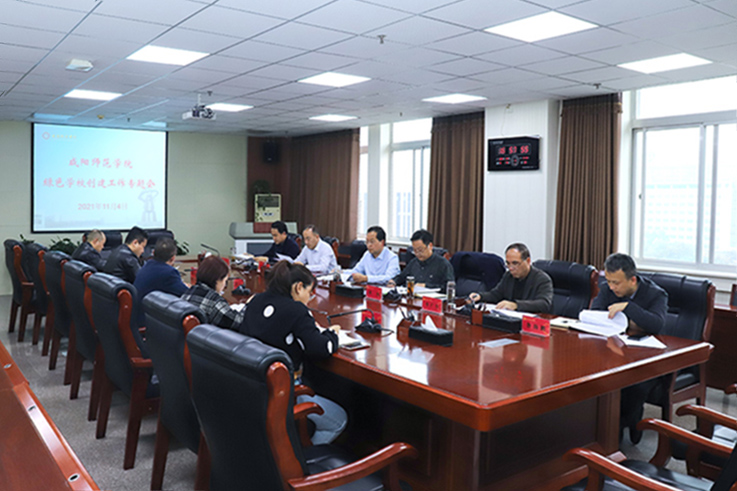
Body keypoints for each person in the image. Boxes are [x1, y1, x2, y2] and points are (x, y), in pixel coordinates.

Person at [240, 261, 346, 445]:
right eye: (309, 292)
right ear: (298, 288)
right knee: (339, 420)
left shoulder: (256, 301)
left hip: (252, 389)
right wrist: (332, 334)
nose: (309, 298)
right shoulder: (296, 310)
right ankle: (302, 458)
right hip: (282, 393)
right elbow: (321, 349)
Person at [590, 252, 668, 444]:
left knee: (633, 384)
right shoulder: (608, 289)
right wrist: (631, 322)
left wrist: (627, 307)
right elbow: (595, 314)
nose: (611, 287)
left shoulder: (655, 294)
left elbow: (656, 324)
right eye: (609, 281)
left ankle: (623, 426)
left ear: (632, 279)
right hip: (613, 352)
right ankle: (603, 428)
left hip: (647, 358)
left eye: (616, 283)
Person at [468, 243, 553, 313]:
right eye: (508, 264)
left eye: (515, 263)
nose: (511, 268)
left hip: (530, 322)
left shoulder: (542, 279)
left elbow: (544, 304)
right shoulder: (508, 276)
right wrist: (480, 296)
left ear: (528, 261)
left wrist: (515, 305)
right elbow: (496, 294)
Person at [134, 238, 189, 325]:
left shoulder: (147, 265)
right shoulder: (169, 272)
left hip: (138, 317)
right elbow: (187, 295)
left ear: (153, 253)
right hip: (147, 323)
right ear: (173, 258)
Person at [181, 256, 245, 331]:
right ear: (217, 280)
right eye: (225, 281)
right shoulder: (214, 301)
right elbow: (239, 321)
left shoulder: (188, 292)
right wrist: (250, 304)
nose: (224, 285)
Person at [388, 229, 454, 289]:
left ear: (430, 246)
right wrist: (393, 281)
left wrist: (426, 286)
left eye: (420, 250)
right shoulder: (413, 262)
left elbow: (449, 287)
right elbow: (401, 277)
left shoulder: (443, 264)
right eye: (415, 250)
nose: (417, 253)